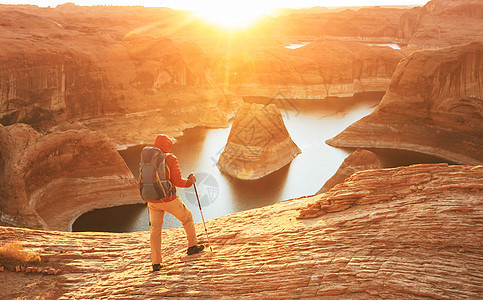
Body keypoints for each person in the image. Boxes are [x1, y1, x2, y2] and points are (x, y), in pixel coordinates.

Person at [145, 134, 204, 272]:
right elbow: (178, 181)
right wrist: (191, 182)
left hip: (152, 200)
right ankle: (192, 246)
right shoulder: (170, 158)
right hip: (168, 199)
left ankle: (156, 263)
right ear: (168, 145)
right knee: (187, 217)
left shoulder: (147, 157)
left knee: (155, 231)